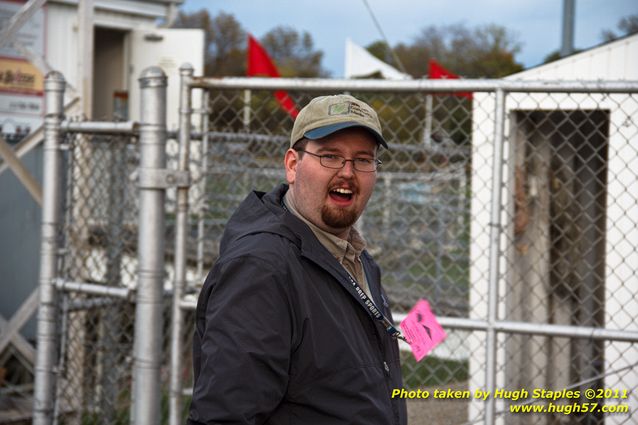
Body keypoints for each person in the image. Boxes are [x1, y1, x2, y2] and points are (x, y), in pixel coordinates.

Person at [188, 94, 408, 425]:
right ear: (293, 165)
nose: (347, 172)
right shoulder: (262, 268)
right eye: (331, 156)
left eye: (363, 160)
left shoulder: (356, 260)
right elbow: (224, 415)